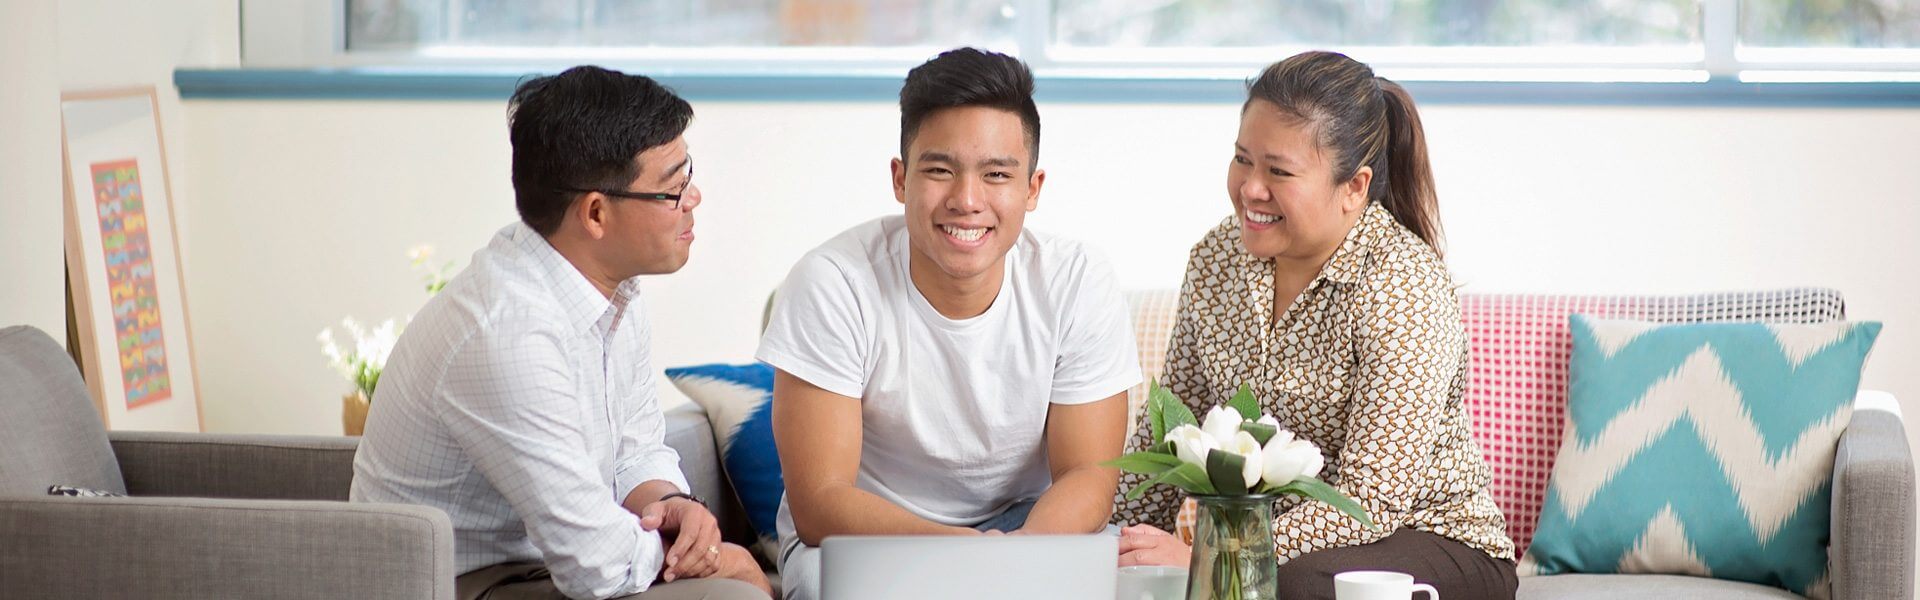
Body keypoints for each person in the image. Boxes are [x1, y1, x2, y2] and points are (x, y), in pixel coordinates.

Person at [1109, 51, 1519, 600]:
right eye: (1242, 160)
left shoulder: (1402, 284)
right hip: (1278, 545)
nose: (1251, 189)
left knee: (1286, 585)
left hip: (1433, 540)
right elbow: (1169, 431)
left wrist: (1212, 558)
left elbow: (1370, 503)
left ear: (1354, 188)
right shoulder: (1215, 260)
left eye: (1279, 171)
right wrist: (1109, 539)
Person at [350, 65, 770, 600]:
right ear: (595, 213)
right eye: (673, 188)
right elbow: (592, 564)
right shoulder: (507, 333)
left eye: (688, 174)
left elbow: (635, 450)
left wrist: (674, 506)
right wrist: (716, 560)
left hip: (543, 566)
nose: (695, 198)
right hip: (456, 583)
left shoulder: (610, 288)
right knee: (731, 592)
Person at [757, 47, 1142, 600]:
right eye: (940, 170)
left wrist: (1013, 559)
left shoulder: (1077, 280)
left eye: (995, 175)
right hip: (862, 537)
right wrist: (967, 554)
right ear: (900, 179)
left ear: (1031, 189)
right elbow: (820, 502)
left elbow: (1089, 478)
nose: (966, 200)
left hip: (1033, 530)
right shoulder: (833, 282)